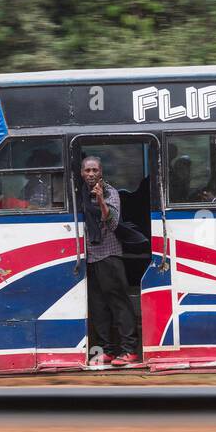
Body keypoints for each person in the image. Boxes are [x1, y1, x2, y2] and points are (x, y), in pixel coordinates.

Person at [80, 155, 139, 366]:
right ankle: (107, 350)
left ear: (101, 172)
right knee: (98, 306)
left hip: (109, 254)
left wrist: (101, 201)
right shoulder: (79, 194)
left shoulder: (110, 192)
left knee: (118, 303)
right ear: (81, 173)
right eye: (87, 170)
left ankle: (129, 349)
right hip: (91, 256)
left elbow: (112, 222)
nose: (91, 174)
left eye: (94, 170)